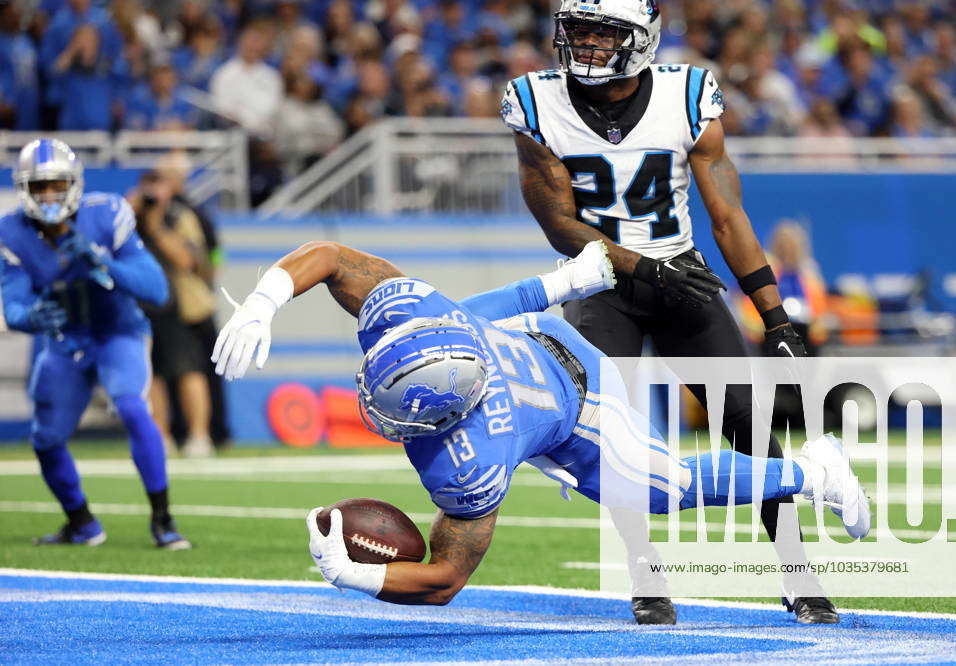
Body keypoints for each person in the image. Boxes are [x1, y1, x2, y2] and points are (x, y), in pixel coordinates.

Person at [211, 240, 869, 616]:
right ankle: (563, 283)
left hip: (576, 398)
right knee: (471, 314)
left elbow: (444, 580)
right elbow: (327, 255)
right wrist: (263, 304)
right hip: (521, 333)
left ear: (448, 418)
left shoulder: (470, 460)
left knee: (656, 486)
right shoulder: (415, 313)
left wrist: (353, 575)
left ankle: (815, 470)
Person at [499, 0, 837, 624]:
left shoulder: (687, 94)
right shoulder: (534, 102)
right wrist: (640, 266)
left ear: (641, 38)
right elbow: (558, 223)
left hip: (683, 282)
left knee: (750, 422)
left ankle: (798, 570)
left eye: (604, 32)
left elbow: (728, 216)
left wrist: (778, 318)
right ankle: (645, 572)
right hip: (599, 285)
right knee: (613, 435)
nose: (589, 45)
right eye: (580, 30)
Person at [0, 139, 191, 549]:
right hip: (66, 340)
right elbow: (13, 305)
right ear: (24, 190)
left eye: (56, 185)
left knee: (131, 406)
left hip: (117, 330)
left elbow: (156, 289)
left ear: (74, 184)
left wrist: (102, 262)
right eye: (40, 187)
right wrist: (30, 316)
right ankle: (81, 523)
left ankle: (163, 519)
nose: (49, 195)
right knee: (46, 438)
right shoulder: (12, 232)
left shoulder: (105, 214)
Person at [129, 170, 215, 458]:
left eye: (158, 186)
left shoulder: (180, 217)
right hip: (141, 306)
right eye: (148, 187)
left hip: (178, 306)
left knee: (188, 370)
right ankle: (160, 437)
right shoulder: (130, 218)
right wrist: (130, 213)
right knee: (151, 375)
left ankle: (199, 436)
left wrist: (155, 226)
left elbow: (188, 260)